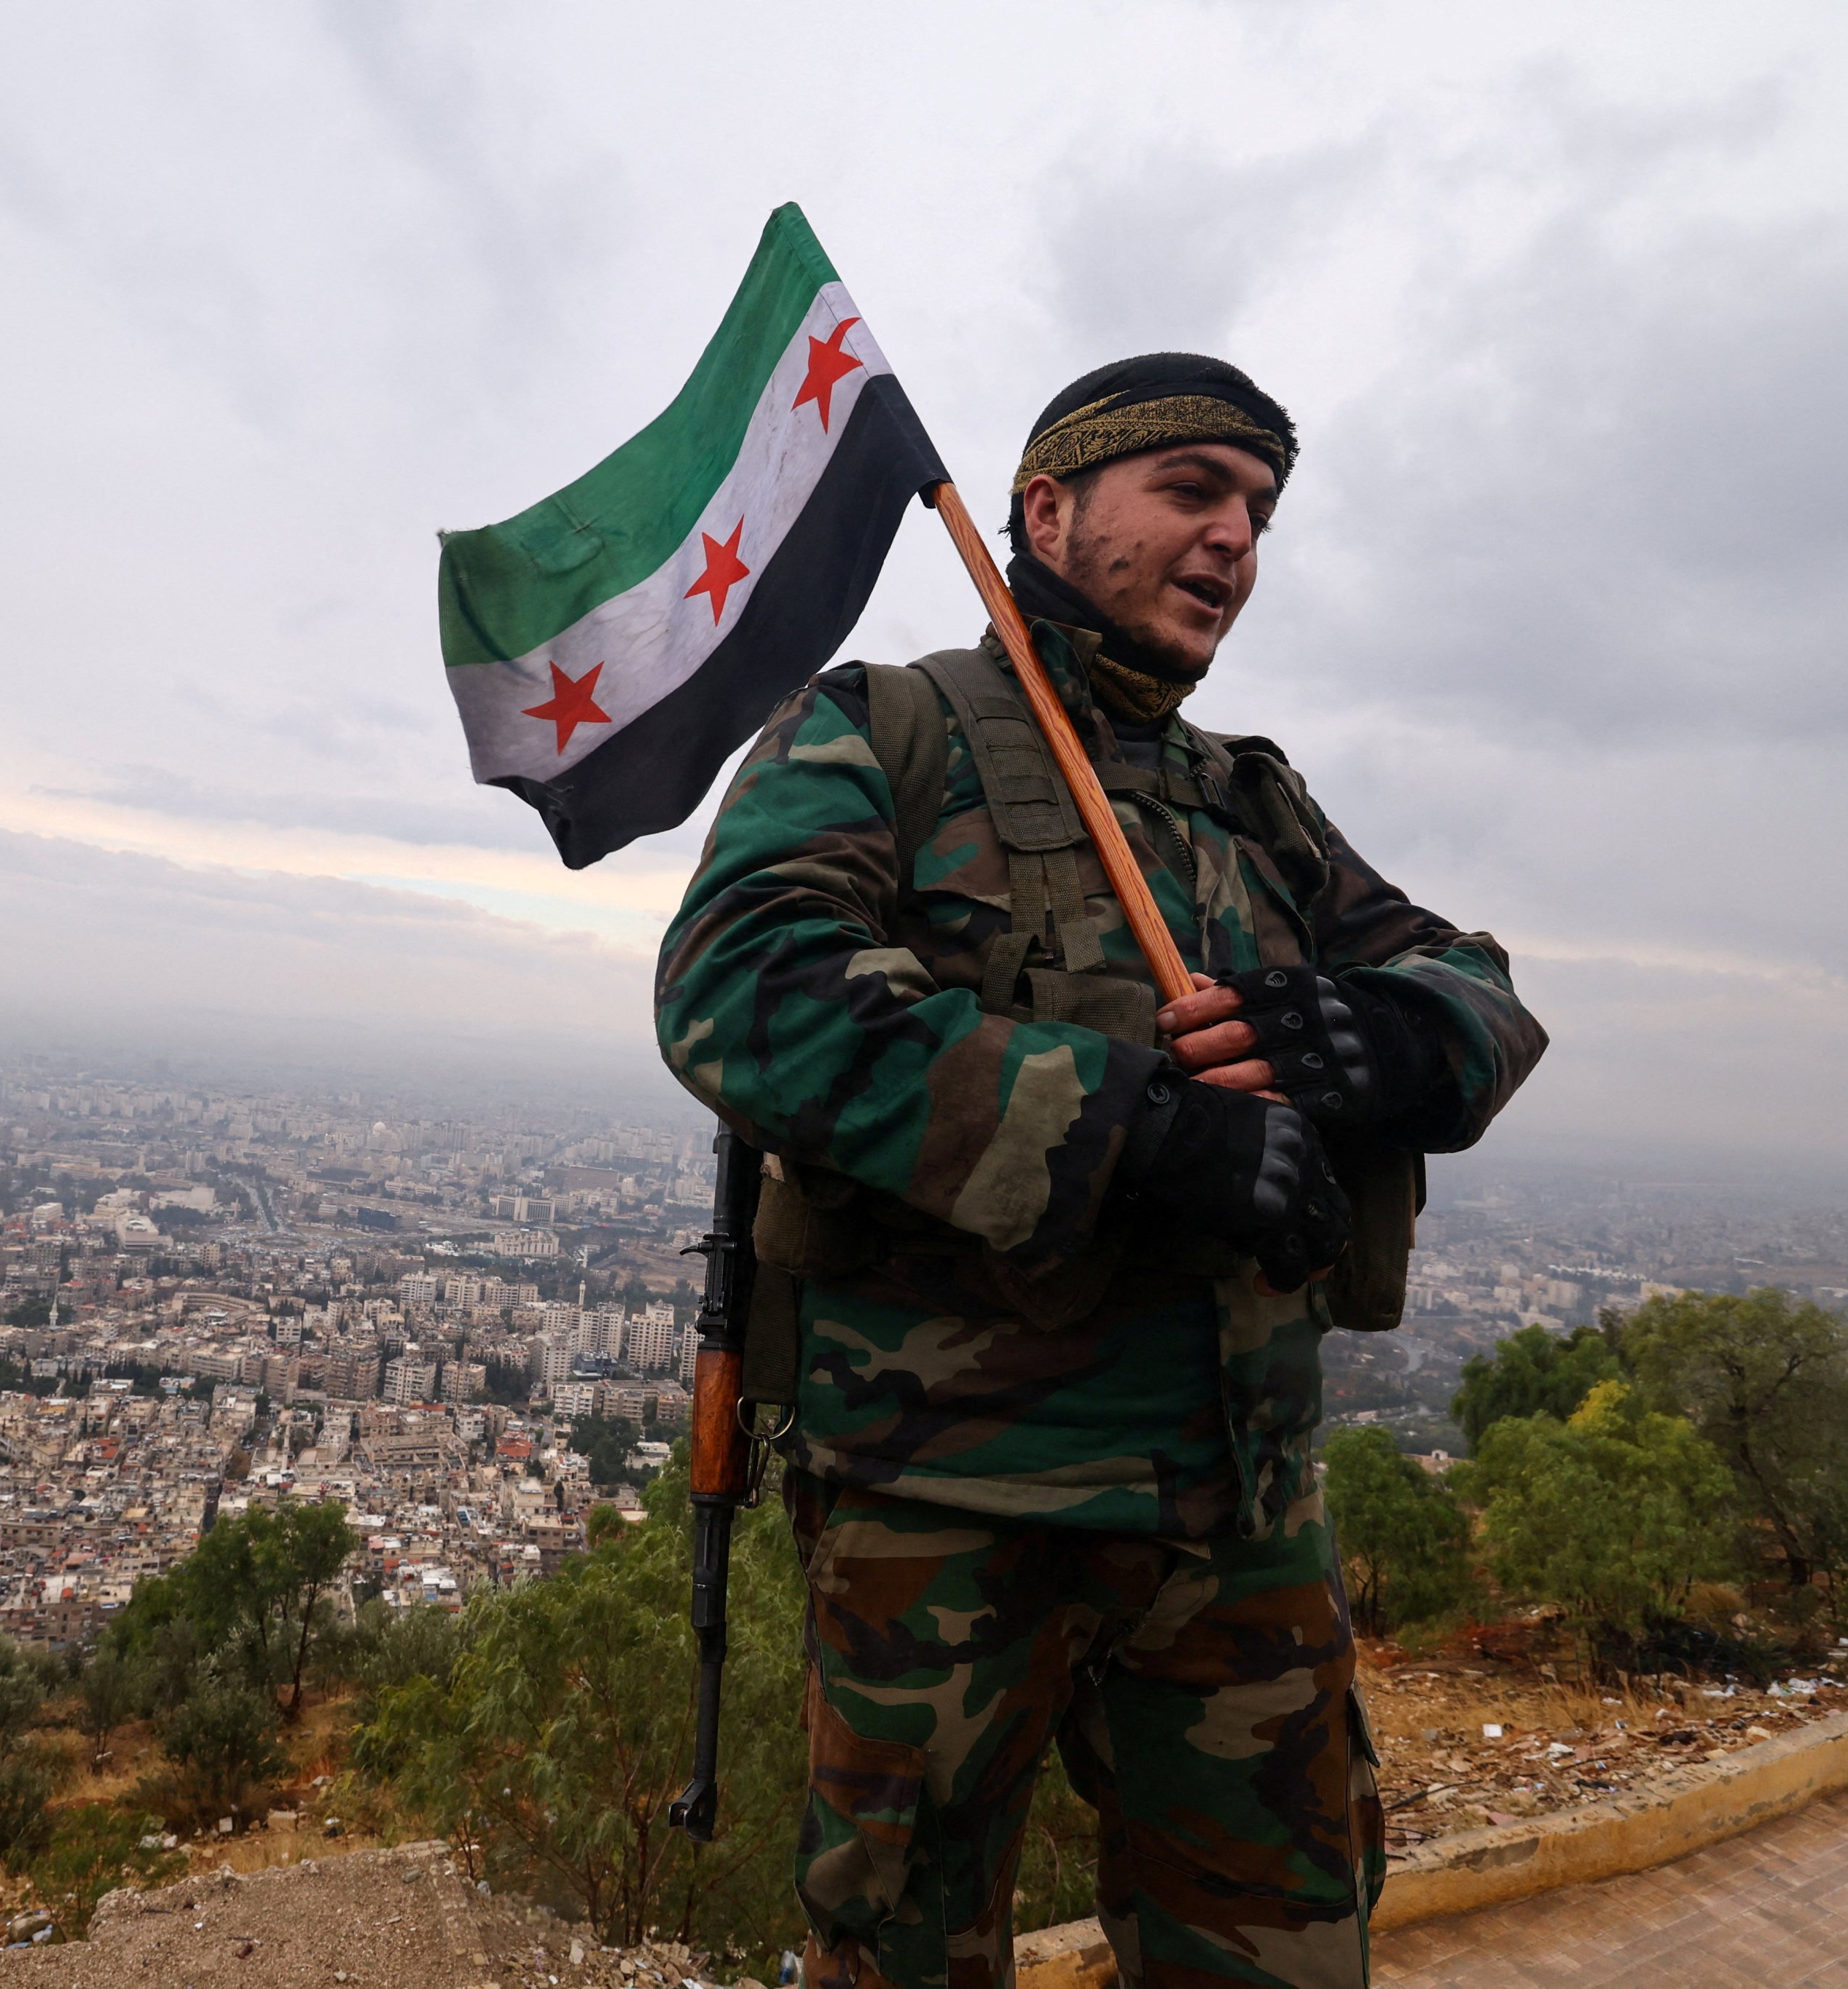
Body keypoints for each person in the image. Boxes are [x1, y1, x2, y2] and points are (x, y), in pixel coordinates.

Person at [654, 353, 1548, 1989]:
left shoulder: (1247, 802)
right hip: (947, 1519)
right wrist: (1132, 1128)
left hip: (1240, 1514)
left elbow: (1479, 987)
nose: (1234, 542)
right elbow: (742, 989)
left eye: (1259, 511)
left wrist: (1395, 1041)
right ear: (1048, 510)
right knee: (899, 1956)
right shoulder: (885, 731)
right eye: (1192, 492)